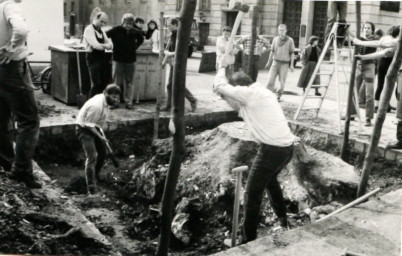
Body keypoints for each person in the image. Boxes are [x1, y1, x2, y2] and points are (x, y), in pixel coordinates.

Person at [214, 55, 295, 245]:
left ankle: (246, 238)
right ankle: (283, 220)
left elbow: (220, 86)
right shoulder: (260, 93)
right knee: (271, 182)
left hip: (273, 150)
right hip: (286, 149)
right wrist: (224, 93)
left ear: (240, 88)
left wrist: (221, 68)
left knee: (251, 193)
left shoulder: (250, 95)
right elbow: (234, 101)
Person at [0, 0, 41, 188]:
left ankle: (7, 163)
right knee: (29, 120)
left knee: (1, 118)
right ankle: (21, 170)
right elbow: (22, 30)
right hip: (11, 68)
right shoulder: (8, 5)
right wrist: (11, 48)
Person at [76, 84, 121, 194]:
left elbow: (96, 124)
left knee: (102, 153)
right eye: (114, 97)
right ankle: (91, 188)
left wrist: (100, 135)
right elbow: (88, 125)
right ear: (106, 93)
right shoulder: (97, 105)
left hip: (94, 126)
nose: (116, 100)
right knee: (92, 156)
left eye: (118, 97)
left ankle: (95, 175)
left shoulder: (105, 101)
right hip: (84, 129)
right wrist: (101, 137)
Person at [354, 26, 399, 113]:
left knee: (397, 90)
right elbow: (380, 49)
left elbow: (378, 45)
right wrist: (363, 56)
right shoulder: (395, 42)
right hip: (390, 67)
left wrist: (360, 44)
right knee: (387, 87)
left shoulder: (395, 42)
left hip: (396, 69)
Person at [106, 13, 144, 110]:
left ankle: (128, 102)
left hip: (131, 61)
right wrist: (109, 45)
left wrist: (135, 46)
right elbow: (105, 35)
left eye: (130, 23)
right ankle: (114, 102)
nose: (128, 25)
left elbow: (141, 39)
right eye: (126, 23)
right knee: (116, 83)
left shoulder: (135, 31)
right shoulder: (116, 29)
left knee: (129, 83)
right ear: (123, 22)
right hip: (118, 60)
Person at [161, 18, 197, 112]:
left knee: (178, 85)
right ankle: (169, 104)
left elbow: (181, 50)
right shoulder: (172, 35)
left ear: (175, 25)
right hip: (174, 62)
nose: (167, 27)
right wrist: (165, 59)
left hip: (179, 63)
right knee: (170, 85)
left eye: (169, 25)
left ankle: (192, 99)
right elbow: (168, 47)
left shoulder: (180, 35)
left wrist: (169, 54)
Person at [350, 22, 377, 127]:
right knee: (354, 90)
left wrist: (355, 38)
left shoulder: (373, 40)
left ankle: (368, 118)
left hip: (369, 67)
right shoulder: (359, 39)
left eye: (369, 28)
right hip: (358, 66)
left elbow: (365, 42)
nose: (366, 30)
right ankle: (351, 113)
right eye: (365, 28)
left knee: (369, 94)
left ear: (372, 30)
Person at [83, 12, 113, 98]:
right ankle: (90, 104)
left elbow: (111, 45)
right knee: (96, 83)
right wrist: (105, 46)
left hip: (102, 58)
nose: (103, 24)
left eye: (105, 22)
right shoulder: (89, 29)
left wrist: (103, 46)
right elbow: (96, 46)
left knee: (104, 83)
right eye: (101, 21)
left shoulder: (102, 30)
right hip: (92, 58)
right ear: (96, 18)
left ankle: (100, 103)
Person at [266, 24, 295, 101]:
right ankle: (268, 96)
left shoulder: (290, 40)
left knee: (282, 82)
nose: (281, 32)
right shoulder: (275, 39)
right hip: (275, 62)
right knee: (270, 80)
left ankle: (278, 95)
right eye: (279, 30)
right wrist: (269, 62)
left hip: (284, 64)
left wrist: (291, 65)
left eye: (282, 30)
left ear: (286, 31)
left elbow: (292, 53)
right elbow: (272, 51)